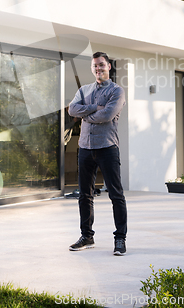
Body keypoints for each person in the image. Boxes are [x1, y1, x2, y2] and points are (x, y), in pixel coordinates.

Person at [68, 51, 127, 256]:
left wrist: (87, 115)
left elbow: (107, 115)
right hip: (85, 147)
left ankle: (120, 239)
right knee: (84, 195)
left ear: (109, 66)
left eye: (101, 65)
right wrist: (94, 108)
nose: (98, 68)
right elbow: (72, 110)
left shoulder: (116, 91)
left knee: (116, 194)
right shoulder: (84, 90)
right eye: (95, 66)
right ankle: (87, 236)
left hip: (107, 148)